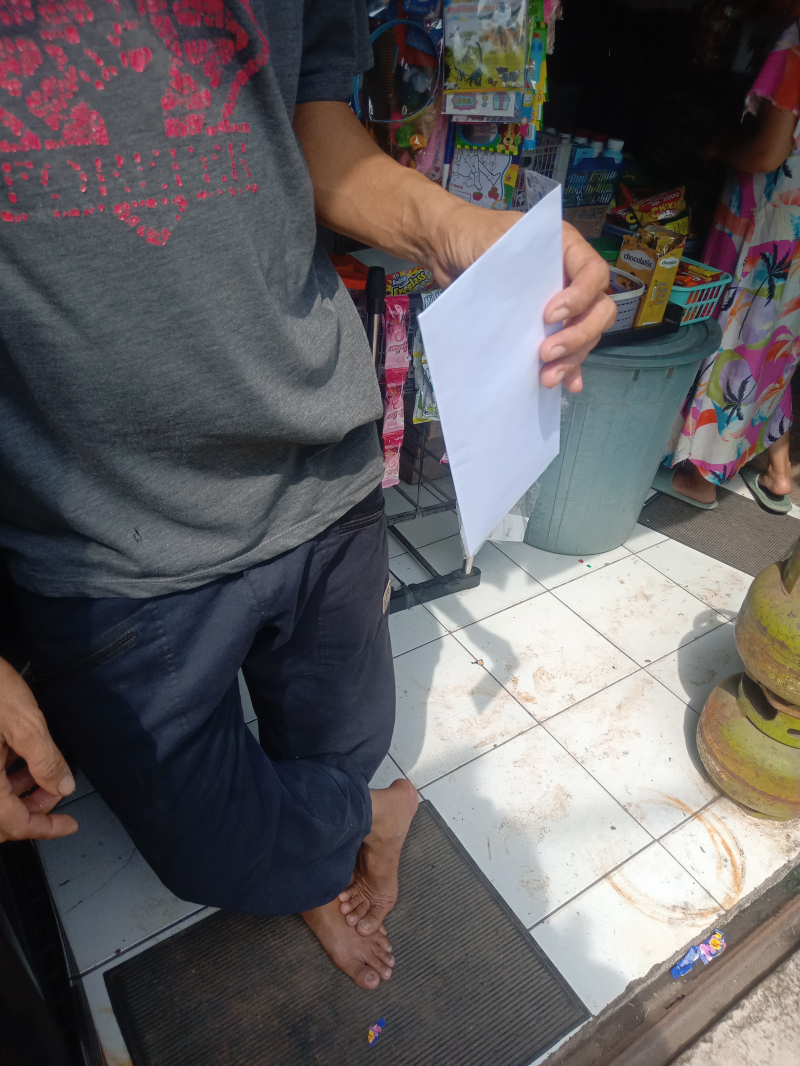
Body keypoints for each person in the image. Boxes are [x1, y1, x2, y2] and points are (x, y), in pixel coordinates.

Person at [0, 1, 613, 994]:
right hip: (103, 523)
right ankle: (356, 827)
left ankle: (326, 861)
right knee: (203, 846)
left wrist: (453, 227)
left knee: (343, 737)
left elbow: (307, 123)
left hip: (318, 454)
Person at [664, 9, 800, 512]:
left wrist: (720, 147)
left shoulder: (796, 42)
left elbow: (767, 153)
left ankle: (700, 471)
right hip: (795, 233)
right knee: (774, 343)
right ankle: (779, 472)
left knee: (730, 330)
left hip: (764, 223)